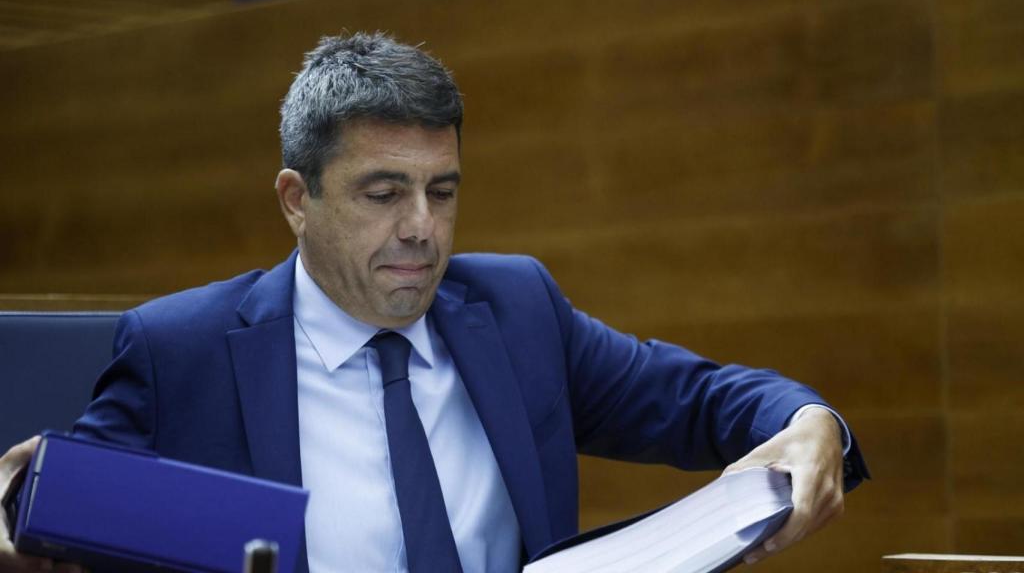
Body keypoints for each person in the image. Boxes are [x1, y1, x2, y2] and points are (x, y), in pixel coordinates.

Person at [0, 32, 867, 573]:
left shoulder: (516, 309)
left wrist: (810, 419)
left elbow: (702, 399)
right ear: (297, 199)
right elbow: (52, 512)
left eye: (442, 191)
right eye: (384, 193)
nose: (423, 229)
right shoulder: (179, 349)